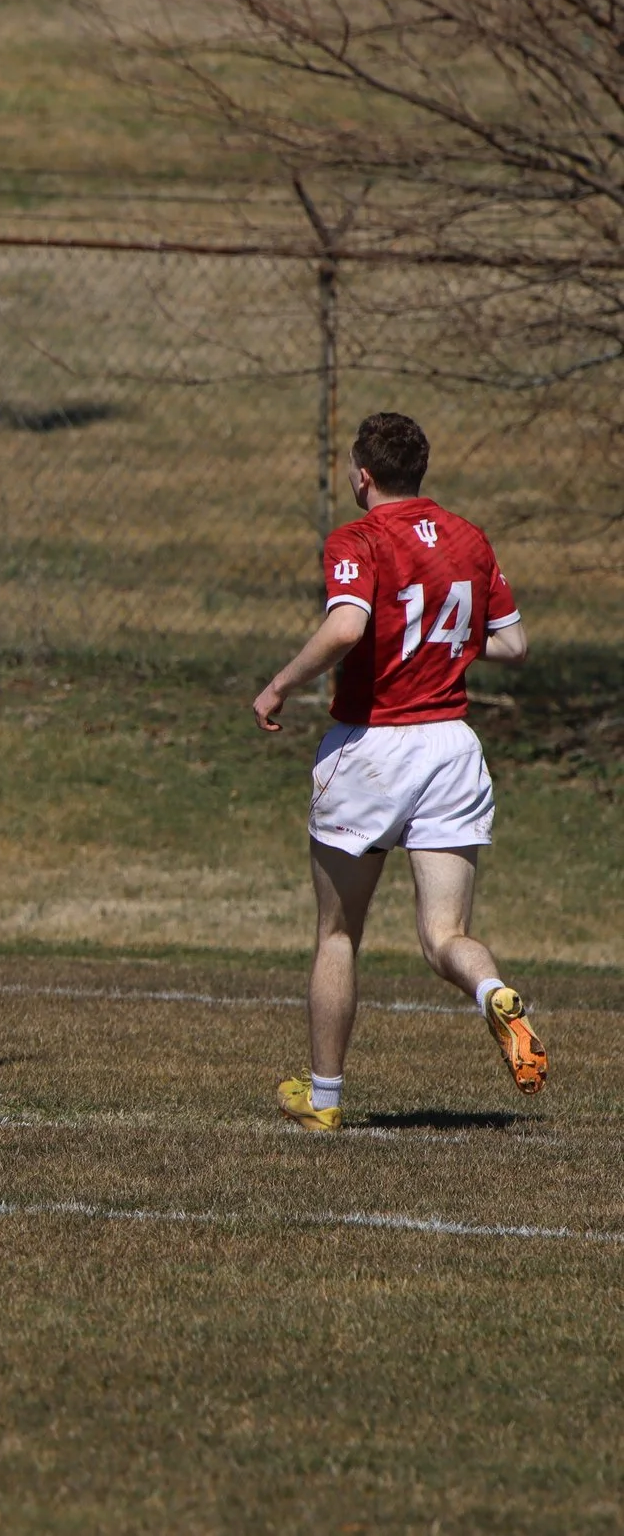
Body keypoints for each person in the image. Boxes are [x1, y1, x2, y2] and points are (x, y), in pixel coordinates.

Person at [251, 412, 545, 1132]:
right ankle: (495, 993)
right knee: (446, 934)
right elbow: (512, 642)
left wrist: (280, 684)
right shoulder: (469, 538)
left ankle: (322, 1099)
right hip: (450, 745)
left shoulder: (358, 538)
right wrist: (439, 643)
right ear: (421, 472)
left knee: (337, 934)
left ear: (362, 475)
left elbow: (347, 627)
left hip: (375, 746)